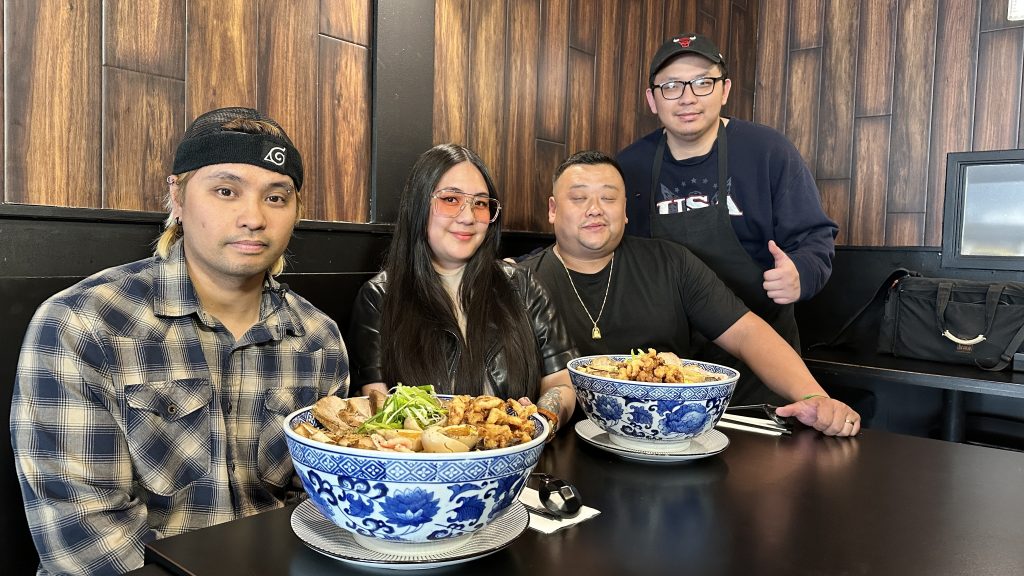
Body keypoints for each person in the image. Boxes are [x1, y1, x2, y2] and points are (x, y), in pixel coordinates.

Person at [10, 107, 349, 575]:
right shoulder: (85, 323)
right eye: (226, 191)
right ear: (178, 196)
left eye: (276, 197)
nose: (253, 218)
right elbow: (86, 544)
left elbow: (320, 510)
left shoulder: (318, 340)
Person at [521, 150, 859, 437]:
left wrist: (814, 396)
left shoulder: (670, 262)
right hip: (563, 442)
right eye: (579, 198)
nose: (595, 208)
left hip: (671, 441)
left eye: (608, 198)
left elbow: (746, 332)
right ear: (553, 209)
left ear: (624, 211)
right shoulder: (520, 282)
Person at [616, 33, 838, 405]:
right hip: (664, 370)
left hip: (761, 363)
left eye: (703, 82)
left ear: (725, 90)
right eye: (671, 86)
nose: (687, 97)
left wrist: (801, 273)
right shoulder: (629, 166)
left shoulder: (767, 151)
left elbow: (815, 237)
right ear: (652, 99)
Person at [348, 143, 576, 431]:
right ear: (418, 205)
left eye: (480, 203)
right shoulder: (379, 297)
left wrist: (538, 423)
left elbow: (562, 383)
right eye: (451, 199)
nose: (468, 217)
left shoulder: (523, 285)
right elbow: (377, 402)